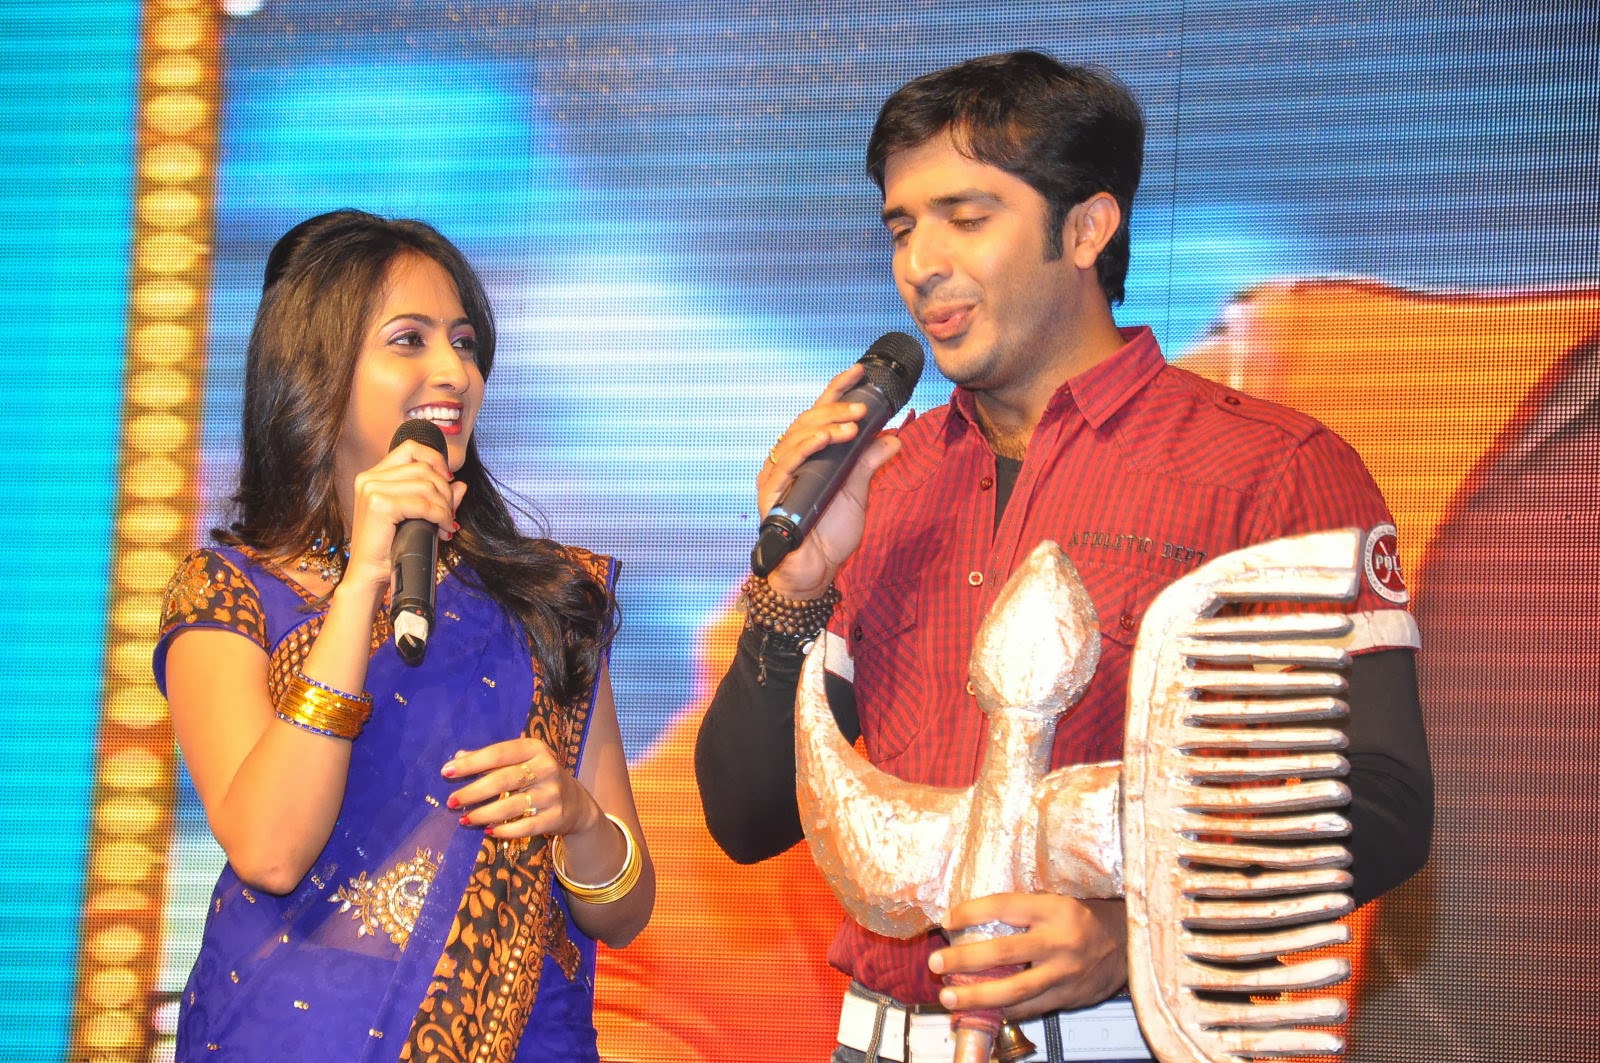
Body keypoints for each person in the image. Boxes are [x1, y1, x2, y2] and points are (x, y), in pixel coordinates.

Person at [694, 51, 1432, 1063]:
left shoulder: (1270, 468)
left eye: (965, 217)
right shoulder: (884, 482)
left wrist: (1141, 928)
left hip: (1135, 1037)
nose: (919, 264)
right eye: (901, 228)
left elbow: (1381, 799)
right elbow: (745, 816)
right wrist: (798, 586)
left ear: (1086, 229)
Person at [155, 210, 654, 1062]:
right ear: (316, 367)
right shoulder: (230, 591)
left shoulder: (550, 600)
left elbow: (625, 910)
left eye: (464, 342)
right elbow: (271, 851)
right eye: (409, 340)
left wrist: (578, 818)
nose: (454, 371)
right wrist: (362, 583)